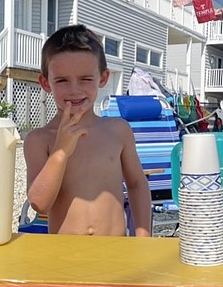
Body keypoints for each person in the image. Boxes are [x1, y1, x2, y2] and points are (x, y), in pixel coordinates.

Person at [24, 24, 152, 237]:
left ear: (102, 78)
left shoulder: (118, 131)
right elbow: (39, 203)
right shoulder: (40, 140)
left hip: (115, 253)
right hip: (65, 258)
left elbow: (137, 184)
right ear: (46, 83)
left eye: (85, 79)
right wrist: (61, 152)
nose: (74, 89)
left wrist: (143, 235)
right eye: (62, 80)